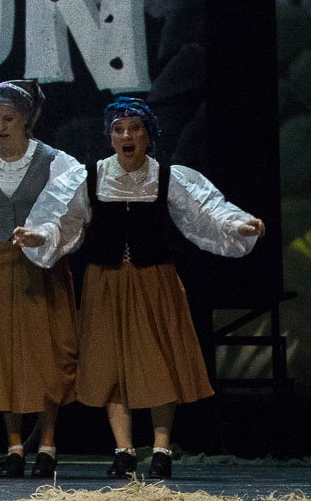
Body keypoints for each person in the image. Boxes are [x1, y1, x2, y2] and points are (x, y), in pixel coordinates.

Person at [15, 97, 264, 480]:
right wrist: (38, 235)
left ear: (149, 135)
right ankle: (124, 450)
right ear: (110, 136)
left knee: (159, 362)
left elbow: (207, 212)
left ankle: (162, 450)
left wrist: (238, 225)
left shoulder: (167, 177)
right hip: (106, 282)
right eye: (119, 130)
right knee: (111, 365)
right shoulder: (90, 177)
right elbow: (61, 221)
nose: (126, 136)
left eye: (135, 128)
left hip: (154, 281)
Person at [0, 80, 82, 477]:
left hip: (40, 266)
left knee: (45, 354)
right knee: (1, 355)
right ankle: (13, 447)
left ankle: (47, 444)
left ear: (25, 119)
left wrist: (43, 235)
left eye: (8, 119)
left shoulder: (56, 162)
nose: (1, 127)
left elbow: (72, 216)